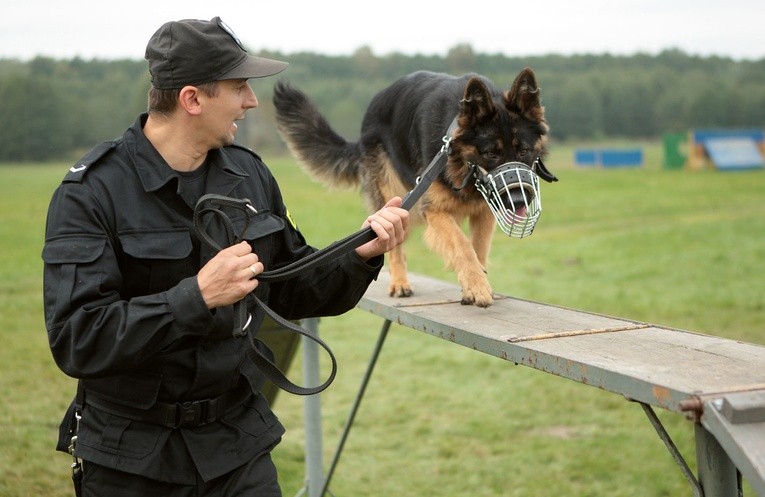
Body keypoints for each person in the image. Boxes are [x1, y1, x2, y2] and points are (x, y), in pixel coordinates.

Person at [41, 16, 409, 496]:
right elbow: (77, 337)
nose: (251, 101)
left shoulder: (249, 176)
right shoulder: (91, 193)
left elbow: (292, 288)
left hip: (237, 448)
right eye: (239, 87)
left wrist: (358, 253)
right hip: (130, 460)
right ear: (192, 99)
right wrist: (194, 296)